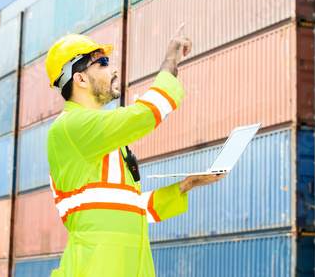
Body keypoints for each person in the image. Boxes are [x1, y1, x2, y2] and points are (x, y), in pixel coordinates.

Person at [46, 24, 227, 276]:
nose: (114, 69)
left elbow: (129, 207)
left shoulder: (102, 141)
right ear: (80, 78)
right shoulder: (69, 127)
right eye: (104, 63)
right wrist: (170, 60)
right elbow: (146, 113)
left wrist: (186, 185)